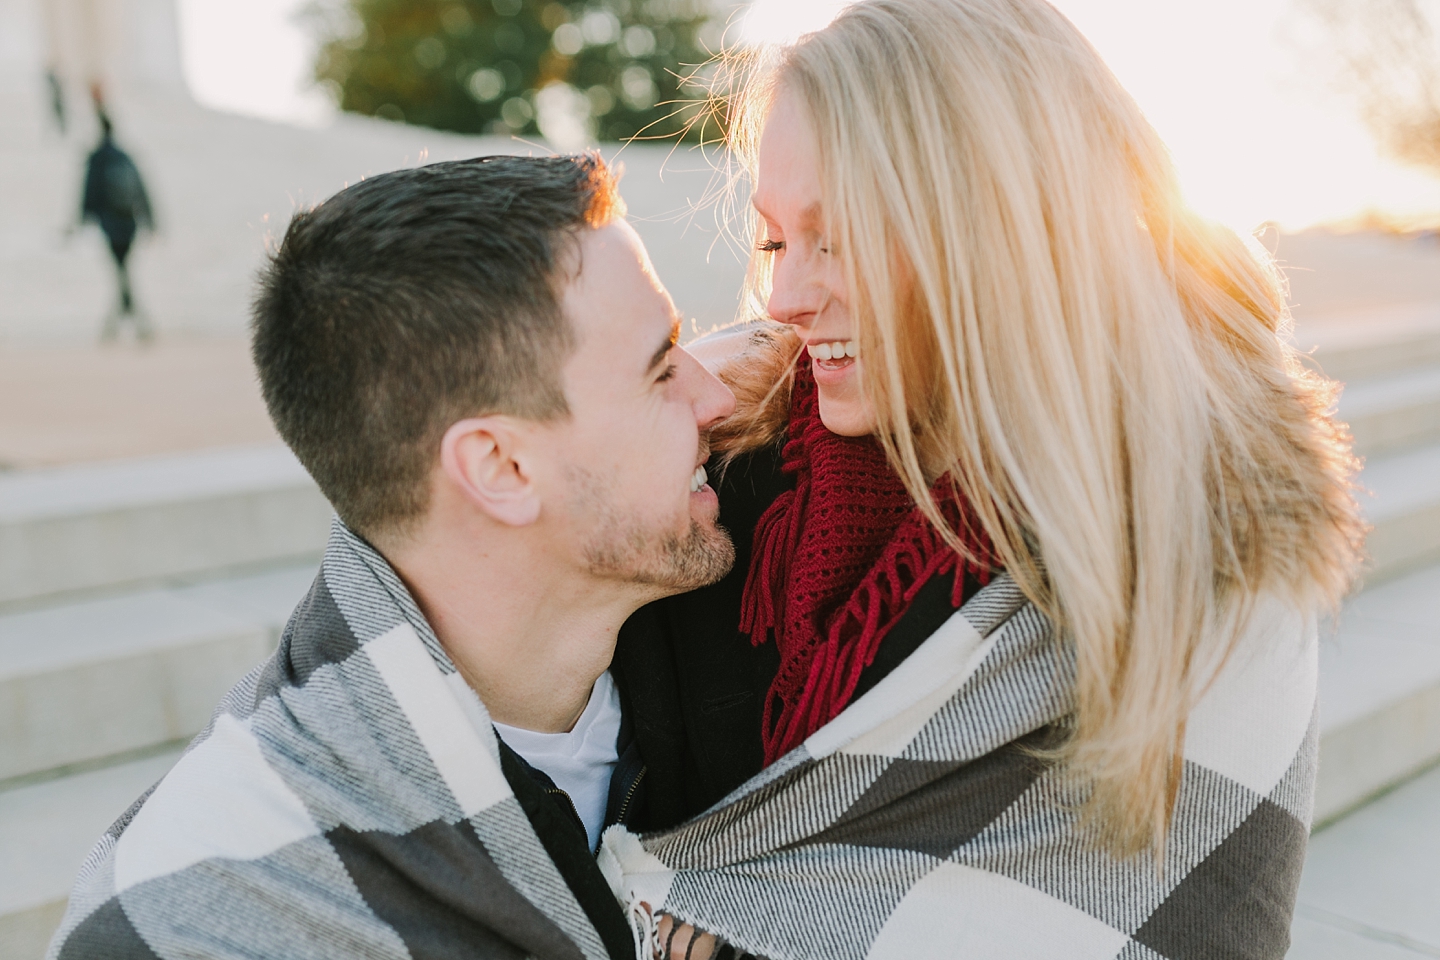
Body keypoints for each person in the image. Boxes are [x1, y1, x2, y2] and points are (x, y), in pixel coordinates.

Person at [605, 1, 1365, 957]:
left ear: (1003, 228)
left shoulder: (1202, 535)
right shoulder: (739, 480)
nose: (789, 297)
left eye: (840, 239)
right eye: (775, 243)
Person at [47, 155, 736, 960]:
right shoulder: (192, 920)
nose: (714, 397)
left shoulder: (778, 655)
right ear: (500, 469)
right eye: (661, 370)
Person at [81, 102, 154, 341]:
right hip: (130, 223)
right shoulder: (124, 156)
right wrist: (150, 219)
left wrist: (83, 216)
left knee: (121, 273)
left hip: (111, 225)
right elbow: (143, 189)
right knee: (123, 272)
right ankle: (133, 323)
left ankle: (124, 325)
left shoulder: (97, 158)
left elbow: (89, 190)